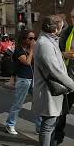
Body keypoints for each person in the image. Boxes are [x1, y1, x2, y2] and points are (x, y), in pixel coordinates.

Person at [33, 15, 74, 146]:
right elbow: (56, 71)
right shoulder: (45, 43)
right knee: (48, 125)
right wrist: (72, 85)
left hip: (51, 90)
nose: (62, 29)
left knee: (50, 124)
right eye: (61, 27)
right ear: (55, 29)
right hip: (48, 90)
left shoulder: (49, 40)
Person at [5, 30, 36, 135]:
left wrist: (34, 50)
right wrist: (32, 50)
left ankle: (40, 126)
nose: (33, 40)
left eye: (34, 38)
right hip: (23, 79)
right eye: (30, 38)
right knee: (18, 104)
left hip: (33, 79)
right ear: (24, 39)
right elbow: (27, 62)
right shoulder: (19, 51)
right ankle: (10, 124)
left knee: (38, 103)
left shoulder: (29, 49)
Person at [55, 10, 74, 144]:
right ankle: (58, 138)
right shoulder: (67, 32)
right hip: (68, 79)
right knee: (62, 112)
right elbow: (56, 52)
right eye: (73, 16)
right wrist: (63, 54)